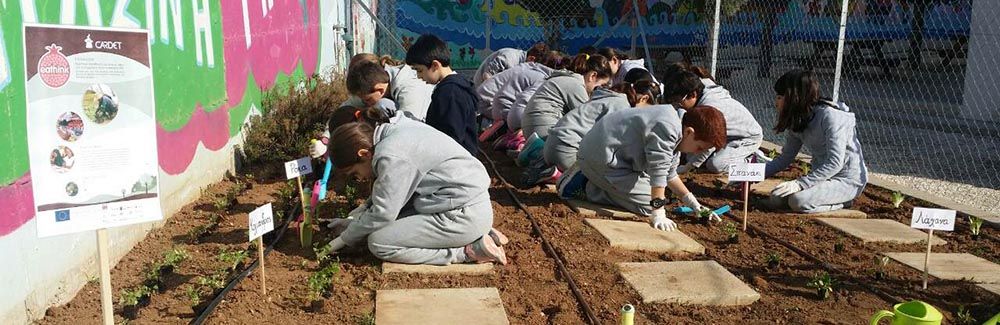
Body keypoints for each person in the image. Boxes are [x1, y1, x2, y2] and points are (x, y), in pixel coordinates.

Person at [321, 110, 509, 265]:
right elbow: (387, 194)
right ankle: (476, 234)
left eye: (355, 173)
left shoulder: (391, 156)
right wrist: (353, 221)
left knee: (380, 242)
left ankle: (467, 251)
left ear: (363, 154)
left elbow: (383, 213)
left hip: (463, 215)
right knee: (389, 223)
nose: (360, 178)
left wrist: (344, 239)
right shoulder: (393, 130)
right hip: (464, 203)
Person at [558, 106, 728, 231]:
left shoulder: (677, 127)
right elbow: (659, 174)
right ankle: (583, 186)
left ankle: (594, 180)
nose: (696, 152)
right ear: (690, 132)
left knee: (656, 197)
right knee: (648, 205)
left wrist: (694, 205)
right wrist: (658, 213)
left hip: (614, 160)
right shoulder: (667, 128)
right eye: (699, 147)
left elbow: (669, 174)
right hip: (600, 160)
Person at [765, 69, 868, 213]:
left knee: (798, 201)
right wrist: (752, 174)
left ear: (794, 98)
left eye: (780, 97)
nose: (776, 102)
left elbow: (835, 162)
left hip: (846, 180)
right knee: (776, 197)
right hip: (821, 177)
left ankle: (844, 202)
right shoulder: (798, 120)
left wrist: (801, 184)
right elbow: (785, 158)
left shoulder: (830, 117)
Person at [518, 53, 613, 184]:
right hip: (544, 127)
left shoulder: (568, 79)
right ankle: (540, 157)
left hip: (534, 126)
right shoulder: (576, 86)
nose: (597, 91)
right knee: (579, 161)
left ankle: (538, 153)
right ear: (593, 76)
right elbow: (587, 122)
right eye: (600, 86)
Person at [544, 68, 660, 172]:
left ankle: (554, 174)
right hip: (567, 151)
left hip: (550, 148)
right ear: (644, 98)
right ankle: (568, 180)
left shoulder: (606, 97)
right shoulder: (622, 106)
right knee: (613, 173)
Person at [661, 63, 763, 174]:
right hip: (725, 136)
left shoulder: (709, 108)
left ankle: (755, 161)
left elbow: (708, 141)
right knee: (691, 152)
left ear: (692, 95)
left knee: (716, 164)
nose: (677, 106)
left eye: (678, 102)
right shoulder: (698, 90)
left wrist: (689, 167)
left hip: (746, 138)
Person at [406, 34, 480, 155]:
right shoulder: (455, 86)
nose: (419, 76)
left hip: (455, 164)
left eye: (420, 70)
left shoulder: (450, 93)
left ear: (435, 65)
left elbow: (451, 137)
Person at [482, 51, 565, 148]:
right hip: (494, 104)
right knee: (537, 121)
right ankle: (516, 137)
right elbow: (526, 100)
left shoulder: (529, 68)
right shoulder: (542, 78)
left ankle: (505, 131)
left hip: (493, 103)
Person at [476, 43, 550, 118]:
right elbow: (486, 75)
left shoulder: (519, 62)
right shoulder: (509, 58)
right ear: (531, 59)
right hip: (483, 97)